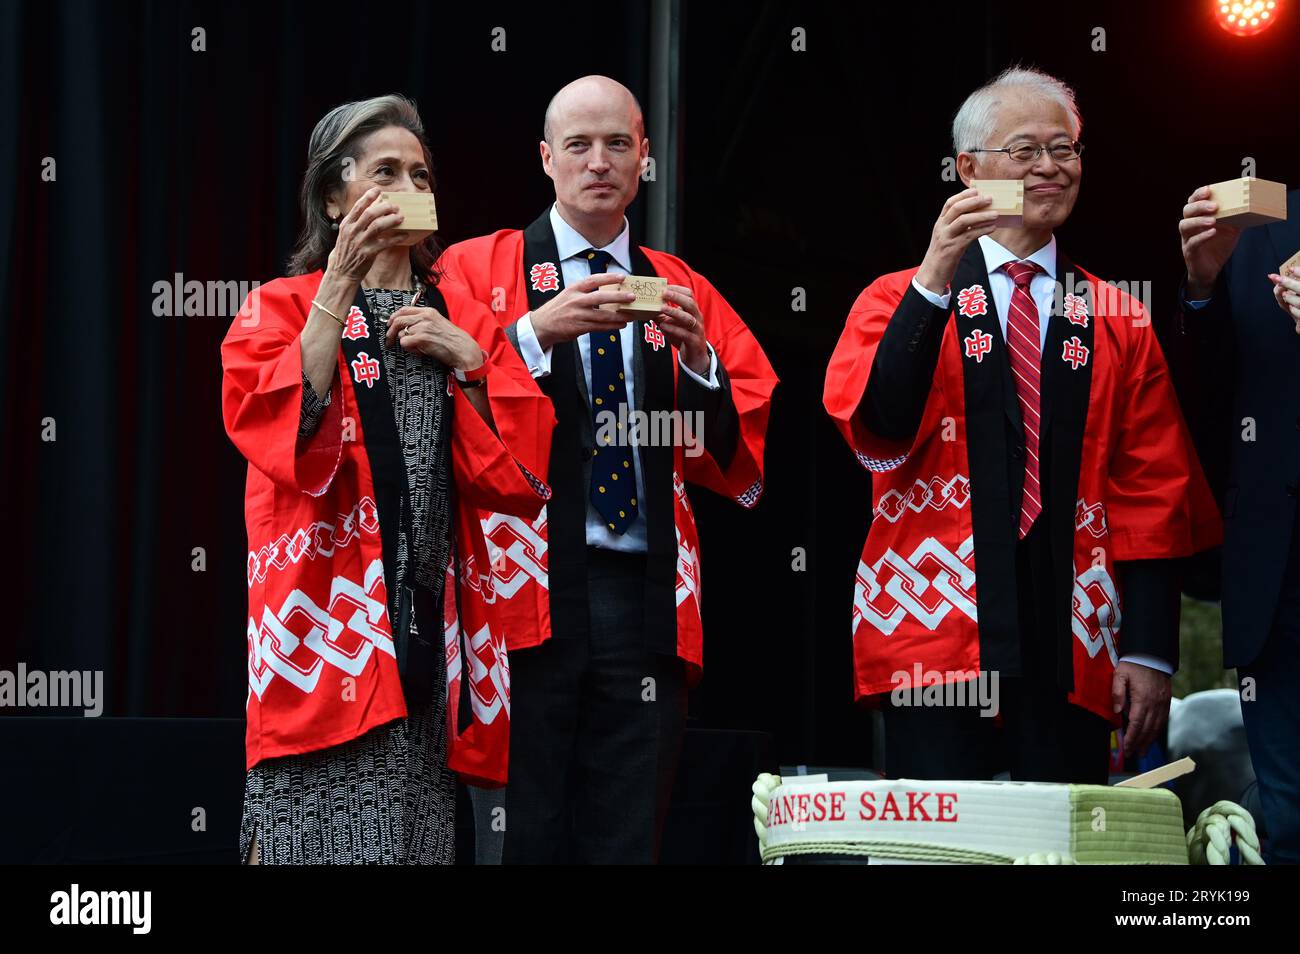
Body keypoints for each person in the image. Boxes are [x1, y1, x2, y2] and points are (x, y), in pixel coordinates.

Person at [823, 67, 1220, 784]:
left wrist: (1151, 650)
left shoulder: (1116, 315)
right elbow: (878, 425)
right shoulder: (893, 298)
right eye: (1026, 150)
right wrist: (934, 279)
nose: (1049, 167)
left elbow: (1154, 492)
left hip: (1072, 634)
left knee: (1058, 843)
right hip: (937, 629)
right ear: (969, 169)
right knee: (944, 849)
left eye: (1064, 150)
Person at [437, 75, 777, 863]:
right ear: (546, 157)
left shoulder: (679, 285)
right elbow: (432, 407)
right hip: (519, 591)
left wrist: (697, 364)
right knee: (519, 832)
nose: (599, 162)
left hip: (641, 591)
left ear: (644, 158)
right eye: (580, 145)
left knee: (627, 836)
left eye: (618, 144)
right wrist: (528, 335)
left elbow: (740, 445)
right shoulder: (474, 267)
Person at [221, 94, 554, 864]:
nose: (410, 184)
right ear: (334, 198)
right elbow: (273, 428)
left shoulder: (459, 313)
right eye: (384, 172)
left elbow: (523, 475)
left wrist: (470, 361)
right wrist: (337, 288)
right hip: (326, 638)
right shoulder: (279, 307)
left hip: (424, 648)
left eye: (420, 172)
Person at [1174, 184, 1300, 863]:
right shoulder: (1267, 219)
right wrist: (1203, 284)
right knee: (1288, 825)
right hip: (1280, 580)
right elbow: (1203, 407)